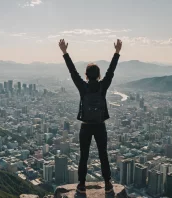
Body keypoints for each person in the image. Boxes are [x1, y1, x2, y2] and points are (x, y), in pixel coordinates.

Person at [58, 38, 122, 194]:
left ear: (86, 75)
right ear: (98, 75)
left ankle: (81, 185)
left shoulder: (83, 87)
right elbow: (111, 71)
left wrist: (65, 52)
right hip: (100, 125)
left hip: (86, 126)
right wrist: (117, 52)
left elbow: (72, 71)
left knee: (84, 155)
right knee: (103, 154)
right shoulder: (103, 86)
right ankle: (108, 183)